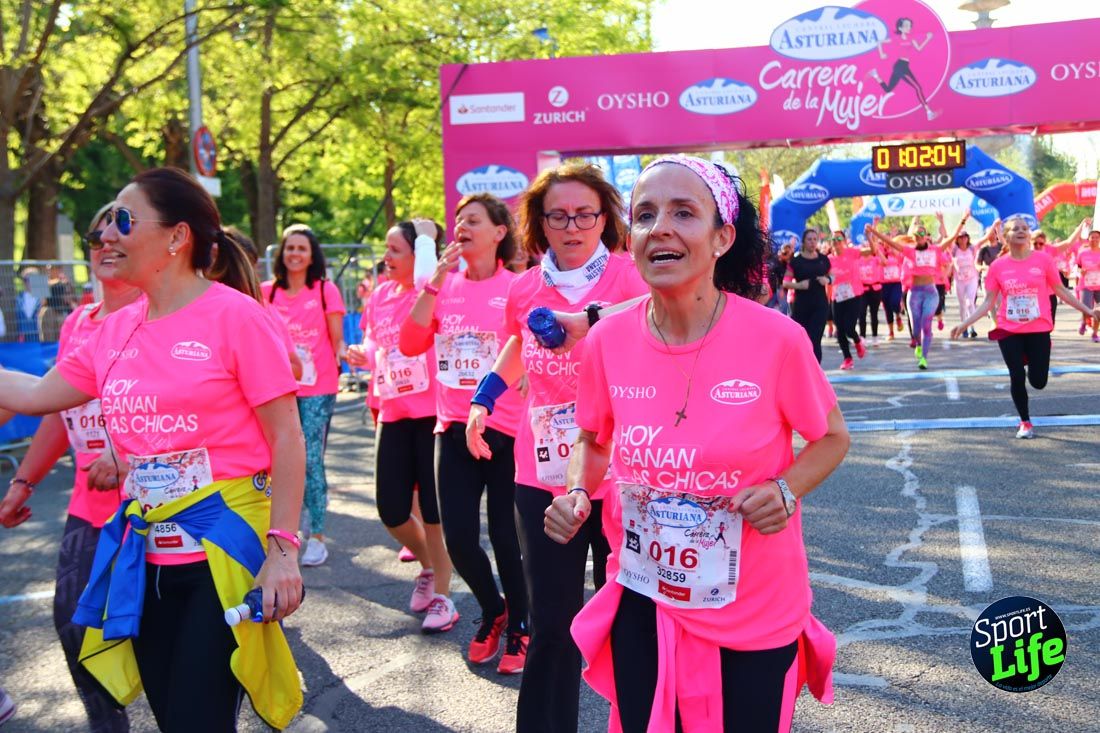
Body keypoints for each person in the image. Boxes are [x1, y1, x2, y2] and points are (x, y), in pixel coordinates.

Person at [544, 155, 849, 732]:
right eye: (645, 215)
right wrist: (578, 491)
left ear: (721, 238)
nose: (660, 227)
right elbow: (591, 438)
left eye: (684, 213)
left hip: (751, 604)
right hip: (645, 593)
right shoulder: (607, 340)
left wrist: (785, 489)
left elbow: (831, 437)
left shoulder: (776, 339)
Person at [0, 167, 306, 732]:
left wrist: (283, 552)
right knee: (171, 718)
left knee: (196, 720)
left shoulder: (237, 317)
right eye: (105, 224)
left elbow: (287, 436)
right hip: (145, 555)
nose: (105, 235)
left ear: (176, 237)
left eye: (123, 219)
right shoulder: (113, 331)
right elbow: (37, 395)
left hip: (223, 551)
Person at [466, 161, 647, 733]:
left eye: (585, 215)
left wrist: (588, 319)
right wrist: (483, 399)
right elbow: (517, 345)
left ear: (604, 219)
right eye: (559, 216)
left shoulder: (631, 276)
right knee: (553, 623)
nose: (573, 227)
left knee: (633, 620)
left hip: (622, 473)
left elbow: (665, 311)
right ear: (540, 224)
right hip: (542, 475)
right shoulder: (525, 286)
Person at [0, 205, 140, 733]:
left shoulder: (160, 315)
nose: (105, 244)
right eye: (94, 237)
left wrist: (125, 453)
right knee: (73, 624)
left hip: (159, 504)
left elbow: (188, 407)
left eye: (119, 233)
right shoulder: (80, 322)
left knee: (165, 637)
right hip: (90, 503)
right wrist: (24, 480)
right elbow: (57, 409)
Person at [399, 193, 530, 671]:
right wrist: (434, 282)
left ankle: (521, 626)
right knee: (457, 538)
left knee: (506, 537)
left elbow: (535, 347)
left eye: (473, 220)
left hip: (507, 430)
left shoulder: (516, 287)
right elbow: (409, 343)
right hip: (452, 428)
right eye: (458, 220)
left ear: (499, 232)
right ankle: (494, 610)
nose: (462, 226)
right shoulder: (444, 286)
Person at [351, 219, 458, 633]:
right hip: (392, 411)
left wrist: (427, 236)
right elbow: (376, 343)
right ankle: (429, 566)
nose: (386, 257)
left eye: (395, 250)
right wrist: (364, 354)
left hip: (431, 414)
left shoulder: (427, 288)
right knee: (392, 510)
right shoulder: (380, 294)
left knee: (433, 511)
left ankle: (443, 595)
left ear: (418, 255)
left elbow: (430, 281)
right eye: (386, 249)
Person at [951, 216, 1100, 438]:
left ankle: (1032, 358)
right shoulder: (998, 266)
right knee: (1016, 375)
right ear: (1006, 236)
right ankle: (1025, 422)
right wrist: (965, 323)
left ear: (1029, 234)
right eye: (1016, 229)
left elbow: (1061, 290)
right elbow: (988, 302)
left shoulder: (1043, 260)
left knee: (1038, 381)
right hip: (1008, 329)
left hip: (1038, 328)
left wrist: (1088, 311)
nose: (1021, 231)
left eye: (1024, 228)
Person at [262, 224, 346, 566]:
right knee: (276, 459)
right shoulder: (267, 292)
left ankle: (318, 537)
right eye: (290, 247)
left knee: (310, 459)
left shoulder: (325, 290)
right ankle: (284, 528)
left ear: (312, 256)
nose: (294, 254)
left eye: (301, 248)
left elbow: (336, 340)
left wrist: (347, 355)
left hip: (317, 387)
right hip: (276, 388)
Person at [866, 222, 941, 369]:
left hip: (930, 293)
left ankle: (924, 358)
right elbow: (890, 242)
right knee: (916, 329)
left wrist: (963, 220)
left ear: (926, 236)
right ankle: (918, 344)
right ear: (914, 237)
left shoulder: (934, 250)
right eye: (917, 234)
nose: (919, 236)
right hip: (914, 293)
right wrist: (874, 231)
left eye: (922, 233)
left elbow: (950, 238)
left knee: (926, 325)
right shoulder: (910, 251)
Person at [870, 16, 938, 120]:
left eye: (909, 26)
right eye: (906, 26)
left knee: (888, 89)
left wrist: (927, 39)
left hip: (903, 66)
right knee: (918, 88)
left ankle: (875, 75)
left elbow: (919, 48)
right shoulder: (896, 39)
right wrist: (881, 54)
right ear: (900, 28)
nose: (909, 27)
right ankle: (928, 112)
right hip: (900, 66)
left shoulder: (911, 38)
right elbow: (880, 42)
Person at [783, 229, 831, 363]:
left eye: (815, 239)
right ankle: (803, 368)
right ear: (804, 241)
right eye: (809, 239)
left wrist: (827, 280)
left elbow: (832, 275)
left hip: (820, 305)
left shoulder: (823, 259)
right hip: (801, 306)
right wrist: (799, 285)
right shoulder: (796, 261)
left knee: (815, 339)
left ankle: (815, 371)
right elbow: (785, 283)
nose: (812, 242)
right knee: (803, 340)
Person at [827, 230, 866, 370]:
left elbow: (872, 251)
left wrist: (870, 236)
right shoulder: (828, 260)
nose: (836, 241)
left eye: (839, 238)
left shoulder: (852, 252)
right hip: (837, 297)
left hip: (854, 295)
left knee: (849, 327)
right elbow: (827, 280)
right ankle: (847, 358)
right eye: (834, 239)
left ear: (844, 241)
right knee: (840, 329)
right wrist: (827, 299)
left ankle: (857, 340)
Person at [1075, 228, 1100, 342]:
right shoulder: (1083, 253)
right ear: (1088, 239)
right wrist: (1081, 272)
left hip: (1099, 286)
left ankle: (1094, 334)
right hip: (1086, 285)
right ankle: (1084, 322)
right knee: (1086, 309)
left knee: (1099, 311)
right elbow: (1077, 268)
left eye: (1097, 237)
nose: (1094, 239)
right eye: (1092, 237)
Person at [15, 267, 42, 342]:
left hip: (40, 338)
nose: (27, 282)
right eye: (25, 279)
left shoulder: (43, 298)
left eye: (30, 279)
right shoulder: (19, 298)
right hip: (24, 339)